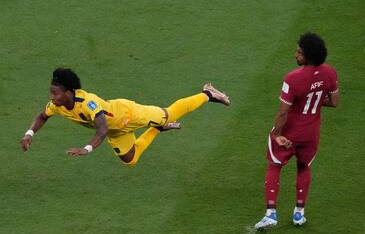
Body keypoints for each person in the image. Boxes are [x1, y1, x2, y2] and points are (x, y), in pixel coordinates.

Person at [21, 68, 230, 166]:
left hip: (128, 114)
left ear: (68, 92)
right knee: (129, 160)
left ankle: (208, 93)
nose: (52, 97)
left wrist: (86, 149)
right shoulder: (58, 106)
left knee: (169, 114)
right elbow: (42, 116)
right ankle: (157, 128)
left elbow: (101, 129)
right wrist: (29, 133)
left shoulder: (88, 103)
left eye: (55, 93)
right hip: (116, 130)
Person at [255, 33, 339, 229]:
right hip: (311, 134)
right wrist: (315, 100)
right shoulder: (330, 73)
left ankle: (271, 214)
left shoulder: (292, 78)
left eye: (299, 52)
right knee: (303, 167)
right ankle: (299, 214)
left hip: (291, 131)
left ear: (308, 56)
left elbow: (283, 112)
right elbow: (334, 102)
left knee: (274, 165)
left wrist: (276, 135)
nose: (295, 55)